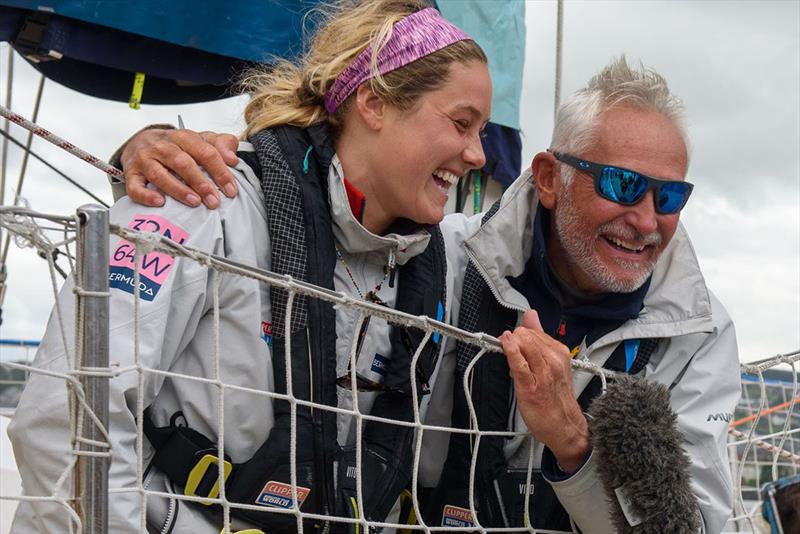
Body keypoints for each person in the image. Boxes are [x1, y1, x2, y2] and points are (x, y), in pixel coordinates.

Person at [109, 58, 742, 532]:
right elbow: (338, 224)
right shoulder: (446, 256)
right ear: (548, 178)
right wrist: (150, 148)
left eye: (672, 197)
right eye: (625, 185)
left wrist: (574, 443)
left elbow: (695, 528)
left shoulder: (696, 336)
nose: (647, 218)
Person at [8, 1, 491, 532]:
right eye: (462, 124)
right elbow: (71, 410)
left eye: (483, 132)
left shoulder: (436, 263)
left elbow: (538, 219)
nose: (478, 156)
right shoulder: (203, 198)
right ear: (373, 104)